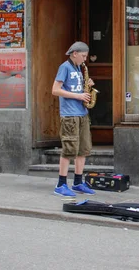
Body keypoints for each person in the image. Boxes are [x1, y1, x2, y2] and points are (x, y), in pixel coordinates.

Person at [51, 41, 96, 197]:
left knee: (82, 150)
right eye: (83, 56)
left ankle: (78, 182)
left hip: (82, 113)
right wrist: (78, 96)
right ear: (75, 53)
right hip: (70, 115)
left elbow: (77, 87)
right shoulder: (65, 67)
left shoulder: (79, 68)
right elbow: (55, 90)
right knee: (69, 150)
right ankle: (61, 184)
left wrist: (87, 84)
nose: (85, 60)